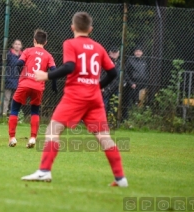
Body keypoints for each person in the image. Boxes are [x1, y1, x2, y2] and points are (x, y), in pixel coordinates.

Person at [21, 12, 128, 187]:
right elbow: (113, 73)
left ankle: (44, 171)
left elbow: (69, 66)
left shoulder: (70, 43)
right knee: (104, 137)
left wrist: (47, 75)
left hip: (75, 96)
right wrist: (97, 86)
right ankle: (120, 178)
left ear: (72, 28)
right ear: (90, 29)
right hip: (94, 98)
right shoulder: (98, 47)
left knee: (52, 131)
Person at [8, 29, 57, 148]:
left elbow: (19, 63)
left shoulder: (28, 51)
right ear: (46, 42)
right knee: (35, 111)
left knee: (14, 109)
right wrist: (54, 85)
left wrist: (22, 74)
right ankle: (33, 138)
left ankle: (12, 138)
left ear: (34, 40)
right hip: (38, 86)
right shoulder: (48, 55)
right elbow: (54, 71)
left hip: (24, 84)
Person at [122, 46, 148, 119]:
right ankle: (126, 119)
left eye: (139, 51)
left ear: (142, 53)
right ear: (134, 52)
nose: (138, 53)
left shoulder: (144, 62)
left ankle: (136, 119)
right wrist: (131, 83)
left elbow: (146, 74)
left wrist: (145, 86)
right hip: (132, 86)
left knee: (139, 103)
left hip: (141, 86)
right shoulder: (130, 60)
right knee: (129, 103)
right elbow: (125, 73)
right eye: (136, 51)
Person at [3, 39, 23, 115]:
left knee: (15, 99)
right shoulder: (9, 54)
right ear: (13, 45)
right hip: (8, 79)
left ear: (21, 46)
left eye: (19, 44)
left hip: (18, 80)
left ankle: (13, 114)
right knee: (6, 98)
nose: (17, 46)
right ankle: (4, 113)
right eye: (16, 44)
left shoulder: (23, 56)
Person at [102, 46, 120, 114]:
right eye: (113, 52)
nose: (114, 54)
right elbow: (101, 74)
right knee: (104, 103)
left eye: (116, 52)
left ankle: (112, 120)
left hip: (116, 87)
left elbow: (123, 74)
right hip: (107, 86)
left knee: (115, 104)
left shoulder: (120, 63)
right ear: (109, 53)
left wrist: (124, 82)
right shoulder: (106, 61)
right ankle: (104, 118)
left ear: (118, 53)